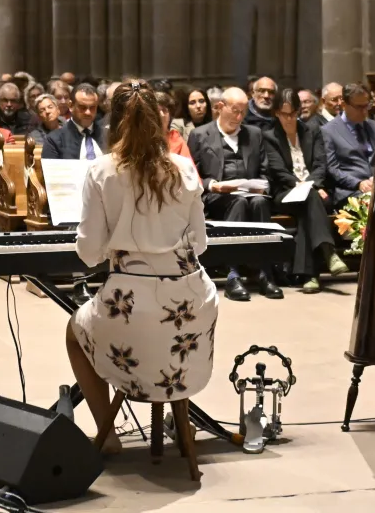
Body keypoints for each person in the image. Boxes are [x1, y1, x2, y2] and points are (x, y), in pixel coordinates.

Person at [67, 80, 217, 451]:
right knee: (164, 339)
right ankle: (178, 419)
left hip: (130, 308)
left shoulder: (101, 171)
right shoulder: (183, 168)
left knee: (75, 332)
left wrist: (120, 248)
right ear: (160, 120)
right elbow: (200, 243)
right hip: (190, 304)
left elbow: (88, 253)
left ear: (113, 123)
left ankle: (108, 434)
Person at [188, 87, 278, 301]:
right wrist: (213, 185)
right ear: (220, 107)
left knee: (259, 203)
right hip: (216, 197)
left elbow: (265, 171)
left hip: (249, 193)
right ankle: (232, 274)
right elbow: (192, 174)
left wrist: (262, 185)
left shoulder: (254, 134)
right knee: (237, 203)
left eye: (243, 112)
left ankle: (265, 272)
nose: (239, 117)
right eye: (234, 111)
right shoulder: (200, 135)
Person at [263, 89, 343, 293]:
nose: (288, 119)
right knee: (311, 201)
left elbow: (320, 165)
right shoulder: (269, 135)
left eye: (292, 113)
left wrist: (311, 185)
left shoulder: (312, 130)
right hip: (285, 193)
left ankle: (310, 275)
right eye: (283, 114)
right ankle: (328, 251)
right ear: (276, 113)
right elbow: (278, 170)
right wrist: (305, 186)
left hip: (313, 191)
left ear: (298, 111)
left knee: (307, 212)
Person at [322, 83, 375, 210]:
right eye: (359, 107)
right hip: (350, 192)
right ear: (344, 105)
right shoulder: (328, 131)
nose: (364, 111)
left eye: (367, 106)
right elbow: (332, 169)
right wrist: (358, 183)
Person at [42, 84, 106, 160]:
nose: (88, 112)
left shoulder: (108, 136)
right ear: (70, 106)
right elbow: (50, 171)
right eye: (82, 107)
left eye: (92, 107)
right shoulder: (54, 140)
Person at [155, 91, 193, 161]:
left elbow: (189, 167)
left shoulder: (176, 138)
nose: (161, 115)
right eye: (157, 111)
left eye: (164, 110)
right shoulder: (145, 139)